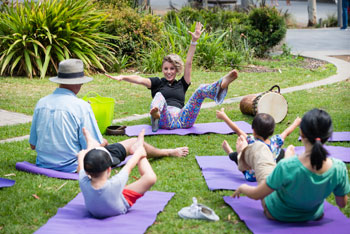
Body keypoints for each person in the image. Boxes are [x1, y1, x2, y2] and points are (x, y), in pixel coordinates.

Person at [105, 22, 238, 132]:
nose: (169, 72)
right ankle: (156, 115)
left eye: (172, 69)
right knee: (159, 96)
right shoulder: (157, 82)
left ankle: (221, 85)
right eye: (166, 69)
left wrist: (194, 41)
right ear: (162, 70)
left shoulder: (182, 83)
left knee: (200, 90)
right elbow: (140, 79)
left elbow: (189, 63)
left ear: (177, 70)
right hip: (164, 119)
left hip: (183, 119)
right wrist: (123, 77)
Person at [232, 108, 350, 222]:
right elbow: (342, 203)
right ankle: (242, 153)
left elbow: (257, 195)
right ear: (328, 136)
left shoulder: (286, 166)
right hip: (312, 215)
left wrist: (243, 188)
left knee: (259, 147)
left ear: (302, 133)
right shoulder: (338, 168)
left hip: (277, 213)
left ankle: (241, 153)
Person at [29, 59, 107, 173]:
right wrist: (104, 142)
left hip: (43, 164)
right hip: (73, 166)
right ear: (79, 82)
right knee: (123, 146)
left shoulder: (41, 103)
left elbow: (33, 145)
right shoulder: (81, 106)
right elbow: (93, 148)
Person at [78, 128, 156, 218]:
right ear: (109, 170)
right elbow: (129, 165)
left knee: (92, 157)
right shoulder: (115, 184)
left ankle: (91, 145)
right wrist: (139, 152)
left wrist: (81, 155)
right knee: (150, 178)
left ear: (87, 172)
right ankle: (137, 147)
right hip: (119, 204)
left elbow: (81, 169)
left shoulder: (83, 181)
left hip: (95, 210)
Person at [216, 108, 301, 181]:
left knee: (237, 155)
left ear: (253, 129)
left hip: (251, 176)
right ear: (272, 131)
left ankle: (229, 152)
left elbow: (237, 130)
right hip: (269, 176)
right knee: (281, 152)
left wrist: (224, 117)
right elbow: (286, 132)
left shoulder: (251, 141)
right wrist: (296, 123)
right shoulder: (276, 141)